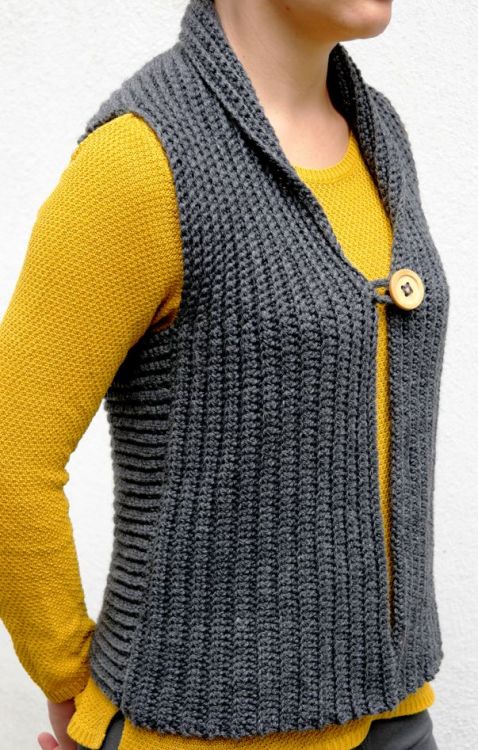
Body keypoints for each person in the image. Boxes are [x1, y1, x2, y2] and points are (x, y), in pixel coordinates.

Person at [0, 1, 448, 749]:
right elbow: (11, 449)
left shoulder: (380, 137)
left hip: (397, 713)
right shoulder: (141, 158)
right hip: (196, 730)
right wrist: (69, 674)